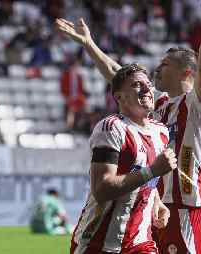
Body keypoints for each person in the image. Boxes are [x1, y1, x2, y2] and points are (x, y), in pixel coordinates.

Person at [57, 2, 201, 253]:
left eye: (165, 64)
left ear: (186, 73)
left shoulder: (198, 105)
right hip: (152, 205)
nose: (157, 69)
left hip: (185, 207)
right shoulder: (158, 104)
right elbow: (119, 76)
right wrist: (89, 44)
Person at [70, 64, 177, 254]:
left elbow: (148, 178)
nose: (146, 88)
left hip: (140, 242)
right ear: (119, 96)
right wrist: (153, 171)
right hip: (98, 243)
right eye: (137, 85)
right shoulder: (111, 128)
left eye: (148, 83)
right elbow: (102, 189)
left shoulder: (160, 131)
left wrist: (157, 203)